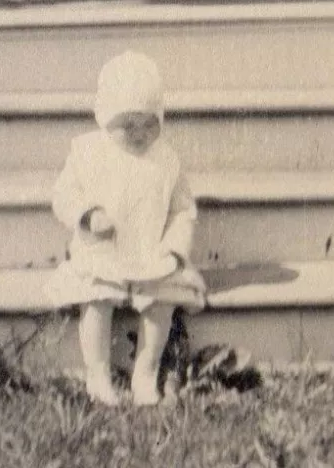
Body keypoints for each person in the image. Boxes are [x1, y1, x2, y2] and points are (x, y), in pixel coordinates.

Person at [51, 50, 206, 406]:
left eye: (148, 123)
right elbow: (64, 193)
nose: (139, 134)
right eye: (127, 125)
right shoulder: (88, 153)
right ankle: (99, 373)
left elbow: (183, 208)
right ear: (105, 119)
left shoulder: (166, 158)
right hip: (104, 251)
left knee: (162, 301)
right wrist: (87, 215)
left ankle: (146, 370)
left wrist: (173, 248)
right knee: (97, 299)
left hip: (150, 251)